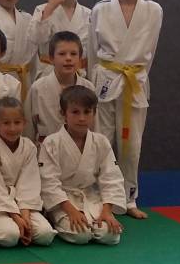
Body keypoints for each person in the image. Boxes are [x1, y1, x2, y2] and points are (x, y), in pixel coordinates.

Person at [88, 0, 162, 219]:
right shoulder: (100, 9)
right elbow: (92, 52)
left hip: (135, 80)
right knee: (102, 140)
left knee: (131, 145)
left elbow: (151, 50)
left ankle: (130, 197)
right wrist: (92, 83)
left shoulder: (153, 10)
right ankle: (102, 196)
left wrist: (137, 76)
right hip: (105, 79)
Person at [39, 86, 126, 244]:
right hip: (63, 201)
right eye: (75, 112)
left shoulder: (101, 142)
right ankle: (54, 218)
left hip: (90, 197)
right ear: (63, 114)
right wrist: (71, 211)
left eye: (87, 112)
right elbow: (48, 182)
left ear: (94, 113)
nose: (82, 118)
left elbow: (111, 178)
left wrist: (107, 211)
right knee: (81, 235)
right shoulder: (51, 143)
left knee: (110, 235)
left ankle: (95, 218)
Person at [0, 97, 57, 247]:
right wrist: (16, 217)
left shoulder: (29, 147)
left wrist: (25, 216)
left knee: (45, 234)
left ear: (24, 123)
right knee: (10, 236)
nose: (12, 128)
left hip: (23, 204)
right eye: (6, 123)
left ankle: (22, 224)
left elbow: (29, 183)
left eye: (17, 122)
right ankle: (13, 226)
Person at [28, 0, 91, 79]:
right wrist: (50, 9)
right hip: (49, 74)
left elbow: (91, 51)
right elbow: (36, 38)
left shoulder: (89, 14)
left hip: (79, 75)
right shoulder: (42, 9)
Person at [26, 31, 94, 143]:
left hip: (79, 149)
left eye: (73, 54)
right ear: (51, 58)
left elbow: (94, 128)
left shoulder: (88, 87)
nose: (68, 58)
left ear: (80, 58)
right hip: (46, 150)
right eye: (62, 54)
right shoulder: (38, 88)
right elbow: (28, 129)